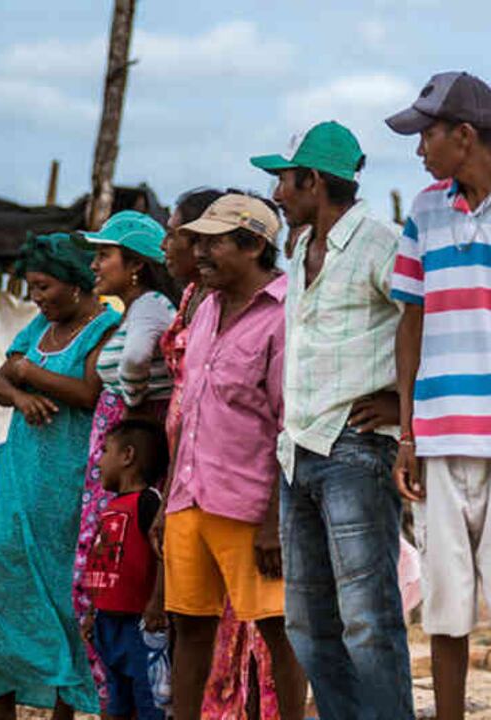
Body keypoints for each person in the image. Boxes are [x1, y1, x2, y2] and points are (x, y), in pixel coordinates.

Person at [252, 120, 413, 719]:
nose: (276, 194)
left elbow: (429, 325)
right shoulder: (298, 249)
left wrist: (401, 404)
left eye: (283, 181)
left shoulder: (380, 242)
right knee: (309, 624)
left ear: (313, 181)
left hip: (355, 448)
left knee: (368, 619)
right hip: (301, 449)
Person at [151, 194, 306, 720]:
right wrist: (167, 500)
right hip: (190, 495)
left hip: (247, 501)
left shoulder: (284, 316)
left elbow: (289, 424)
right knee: (190, 626)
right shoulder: (206, 308)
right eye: (198, 241)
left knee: (277, 628)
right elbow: (186, 414)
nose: (201, 253)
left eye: (214, 242)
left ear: (254, 244)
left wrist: (272, 521)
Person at [0, 233, 120, 719]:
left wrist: (28, 372)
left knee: (65, 595)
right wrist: (18, 394)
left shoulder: (105, 326)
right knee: (4, 588)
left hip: (71, 482)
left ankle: (64, 708)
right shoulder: (37, 327)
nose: (36, 298)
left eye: (44, 287)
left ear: (76, 283)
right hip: (21, 475)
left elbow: (87, 391)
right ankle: (3, 707)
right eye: (31, 288)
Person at [389, 71, 491, 720]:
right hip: (440, 435)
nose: (419, 148)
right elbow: (410, 322)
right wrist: (406, 431)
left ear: (464, 135)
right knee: (447, 609)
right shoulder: (425, 209)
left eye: (426, 134)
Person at [74, 210, 178, 699]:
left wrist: (132, 401)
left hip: (130, 447)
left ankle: (130, 692)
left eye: (103, 255)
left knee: (120, 559)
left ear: (135, 263)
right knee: (103, 562)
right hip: (120, 450)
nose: (95, 265)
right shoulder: (137, 307)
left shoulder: (152, 306)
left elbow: (137, 359)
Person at [81, 419, 171, 720]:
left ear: (127, 456)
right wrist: (93, 612)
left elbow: (164, 554)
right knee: (116, 699)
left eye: (106, 451)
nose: (100, 459)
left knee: (149, 700)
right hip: (108, 623)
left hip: (139, 625)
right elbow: (103, 561)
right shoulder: (111, 506)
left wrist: (157, 602)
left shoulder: (148, 503)